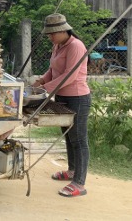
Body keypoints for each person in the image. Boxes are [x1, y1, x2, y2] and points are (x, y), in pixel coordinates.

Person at [32, 13, 91, 198]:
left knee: (79, 139)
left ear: (62, 30)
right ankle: (72, 171)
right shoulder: (57, 45)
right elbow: (53, 70)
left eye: (52, 34)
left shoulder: (76, 46)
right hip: (62, 95)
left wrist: (44, 91)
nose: (50, 37)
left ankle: (79, 183)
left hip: (78, 97)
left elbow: (69, 75)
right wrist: (41, 81)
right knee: (67, 135)